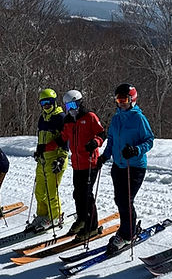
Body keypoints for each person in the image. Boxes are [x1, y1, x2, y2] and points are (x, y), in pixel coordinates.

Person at [99, 84, 154, 254]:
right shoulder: (116, 118)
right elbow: (111, 140)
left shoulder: (138, 118)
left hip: (135, 166)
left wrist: (136, 150)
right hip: (119, 166)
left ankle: (128, 234)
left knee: (125, 200)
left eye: (124, 100)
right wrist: (104, 156)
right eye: (118, 100)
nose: (121, 103)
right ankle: (126, 228)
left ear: (132, 99)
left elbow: (149, 140)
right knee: (119, 199)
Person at [57, 89, 105, 238]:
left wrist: (95, 142)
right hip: (77, 164)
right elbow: (63, 138)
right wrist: (44, 148)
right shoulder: (68, 121)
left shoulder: (89, 116)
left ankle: (92, 226)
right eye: (67, 107)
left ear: (79, 103)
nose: (70, 109)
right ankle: (82, 219)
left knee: (86, 195)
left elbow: (102, 133)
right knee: (77, 194)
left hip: (90, 162)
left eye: (72, 105)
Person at [24, 88, 69, 234]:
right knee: (39, 191)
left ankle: (55, 217)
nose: (46, 106)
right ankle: (43, 216)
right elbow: (41, 139)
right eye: (43, 103)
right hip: (43, 160)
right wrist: (39, 151)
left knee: (51, 192)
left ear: (54, 102)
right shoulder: (42, 117)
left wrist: (61, 159)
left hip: (55, 160)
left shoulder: (60, 117)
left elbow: (64, 140)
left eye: (49, 103)